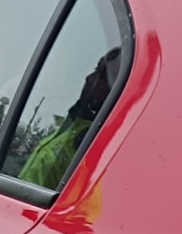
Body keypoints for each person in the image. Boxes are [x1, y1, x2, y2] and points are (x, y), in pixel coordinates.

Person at [18, 47, 122, 190]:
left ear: (116, 91)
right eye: (95, 70)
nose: (89, 78)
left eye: (101, 76)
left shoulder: (87, 142)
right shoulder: (81, 120)